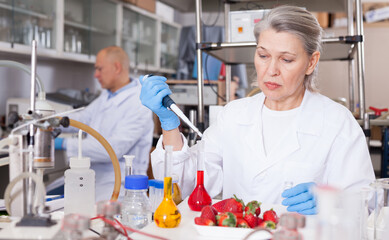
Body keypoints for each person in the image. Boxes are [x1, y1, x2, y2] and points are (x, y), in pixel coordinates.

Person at [139, 6, 375, 215]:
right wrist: (169, 124)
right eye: (263, 55)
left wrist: (330, 201)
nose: (271, 70)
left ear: (311, 62)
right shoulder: (234, 115)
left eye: (287, 59)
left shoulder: (337, 122)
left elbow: (366, 204)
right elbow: (186, 184)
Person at [54, 46, 154, 201]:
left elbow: (111, 149)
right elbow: (83, 119)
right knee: (42, 195)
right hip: (93, 176)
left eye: (99, 69)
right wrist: (53, 121)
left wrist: (63, 143)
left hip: (117, 184)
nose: (96, 75)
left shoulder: (139, 103)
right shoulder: (108, 95)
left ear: (117, 67)